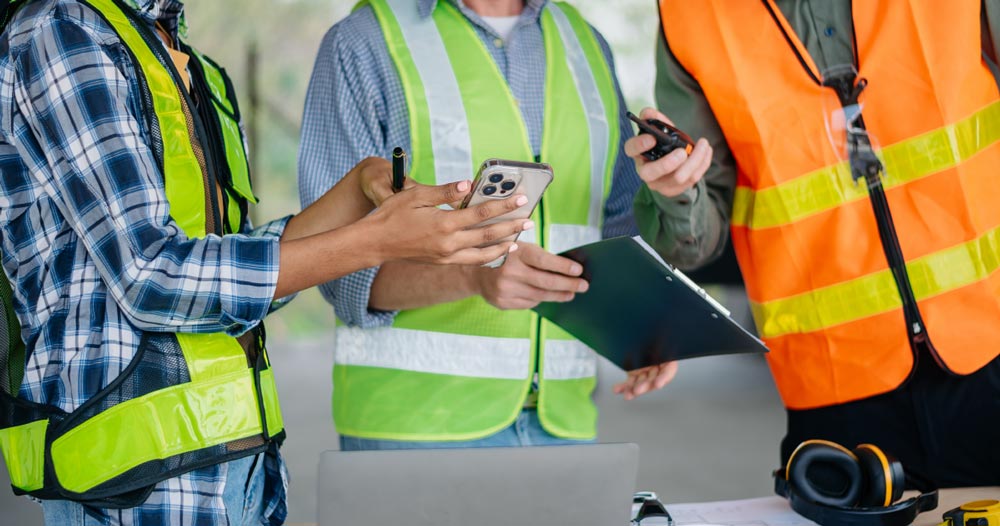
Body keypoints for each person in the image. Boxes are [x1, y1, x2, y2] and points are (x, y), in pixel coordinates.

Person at [0, 0, 531, 523]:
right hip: (134, 487)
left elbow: (227, 272)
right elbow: (153, 278)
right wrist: (377, 242)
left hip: (235, 468)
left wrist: (353, 197)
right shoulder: (61, 32)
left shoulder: (168, 48)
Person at [627, 0, 1000, 487]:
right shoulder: (689, 15)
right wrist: (678, 191)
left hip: (989, 342)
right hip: (835, 383)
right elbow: (696, 239)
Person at [298, 0, 677, 451]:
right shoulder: (364, 41)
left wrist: (642, 324)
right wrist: (473, 276)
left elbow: (613, 225)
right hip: (413, 429)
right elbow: (335, 270)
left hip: (565, 423)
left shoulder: (586, 42)